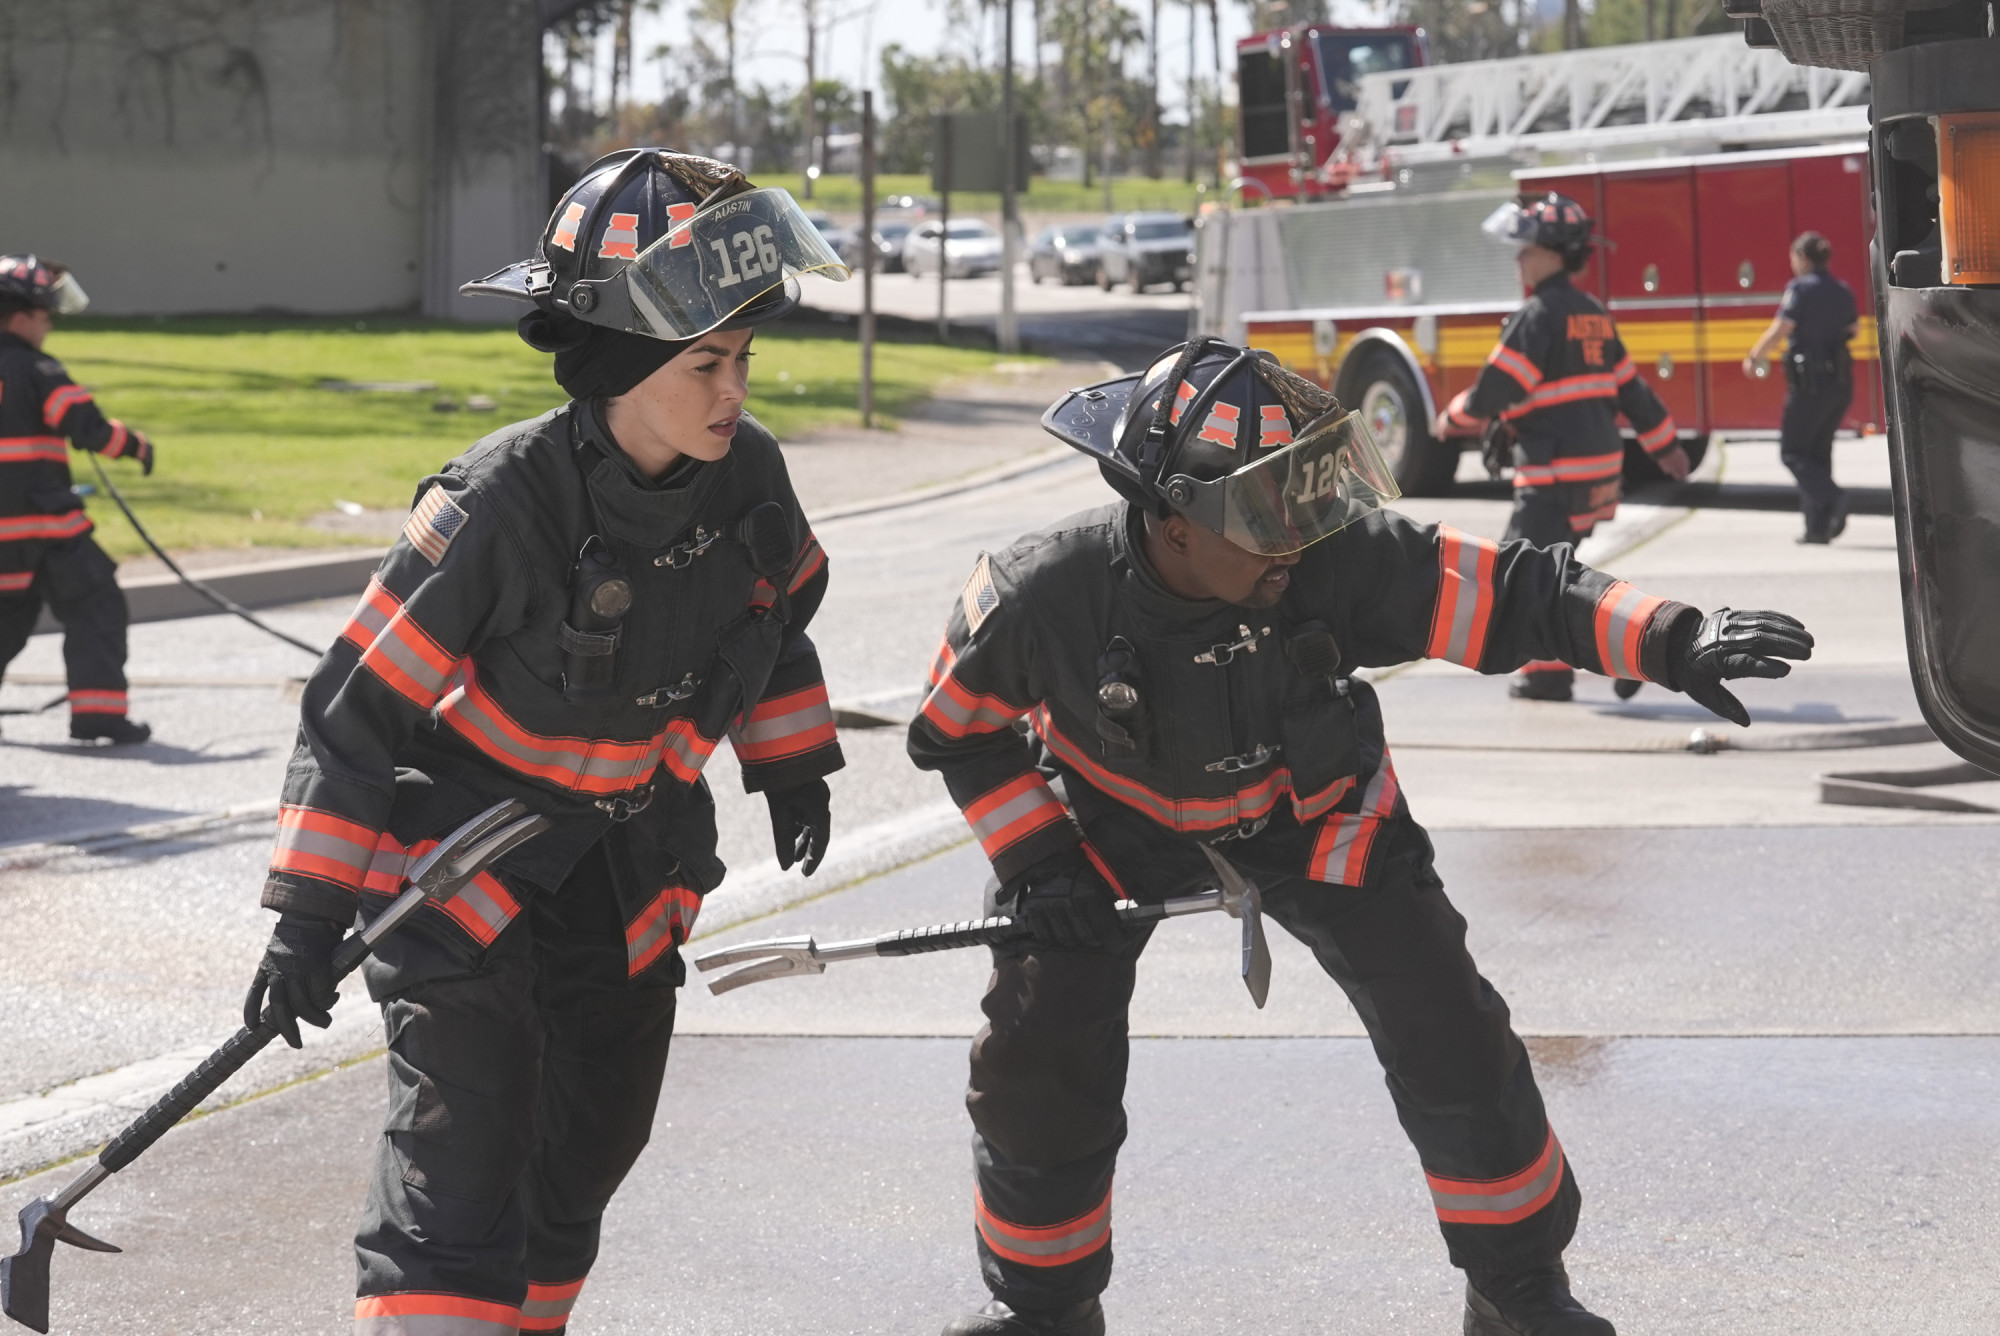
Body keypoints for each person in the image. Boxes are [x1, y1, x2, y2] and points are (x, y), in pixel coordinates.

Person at [912, 339, 1813, 1336]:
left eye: (1304, 502)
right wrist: (1037, 861)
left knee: (1452, 1038)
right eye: (1264, 515)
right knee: (1041, 1044)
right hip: (1105, 827)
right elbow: (955, 728)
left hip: (1317, 819)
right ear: (1169, 520)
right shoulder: (1043, 593)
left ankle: (1517, 1296)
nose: (1295, 540)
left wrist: (1668, 633)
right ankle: (1043, 1309)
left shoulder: (1328, 560)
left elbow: (1515, 592)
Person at [241, 149, 852, 1335]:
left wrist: (789, 764)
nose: (734, 391)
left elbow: (775, 621)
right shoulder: (500, 503)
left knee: (586, 1153)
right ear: (624, 364)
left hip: (629, 870)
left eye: (743, 360)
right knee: (461, 1165)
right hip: (461, 873)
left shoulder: (751, 477)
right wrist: (306, 915)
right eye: (706, 363)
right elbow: (354, 709)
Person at [1435, 193, 1691, 703]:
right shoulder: (1593, 314)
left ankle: (1601, 659)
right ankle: (1613, 655)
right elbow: (1632, 392)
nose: (1519, 259)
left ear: (1553, 253)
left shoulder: (1537, 316)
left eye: (1526, 249)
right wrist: (1666, 448)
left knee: (1521, 573)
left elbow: (1498, 387)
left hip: (1552, 474)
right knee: (1556, 574)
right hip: (1596, 475)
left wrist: (1451, 418)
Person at [0, 254, 155, 744]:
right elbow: (85, 425)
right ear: (22, 316)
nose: (48, 326)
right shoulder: (36, 368)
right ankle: (98, 714)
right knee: (95, 607)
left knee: (9, 621)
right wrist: (134, 444)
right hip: (43, 529)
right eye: (46, 316)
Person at [1744, 231, 1858, 544]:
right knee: (1818, 453)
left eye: (1794, 258)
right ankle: (1817, 529)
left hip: (1810, 383)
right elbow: (1853, 329)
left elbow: (1782, 327)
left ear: (1803, 258)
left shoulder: (1800, 289)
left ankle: (1834, 498)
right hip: (1839, 383)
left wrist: (1755, 355)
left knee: (1793, 451)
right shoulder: (1842, 289)